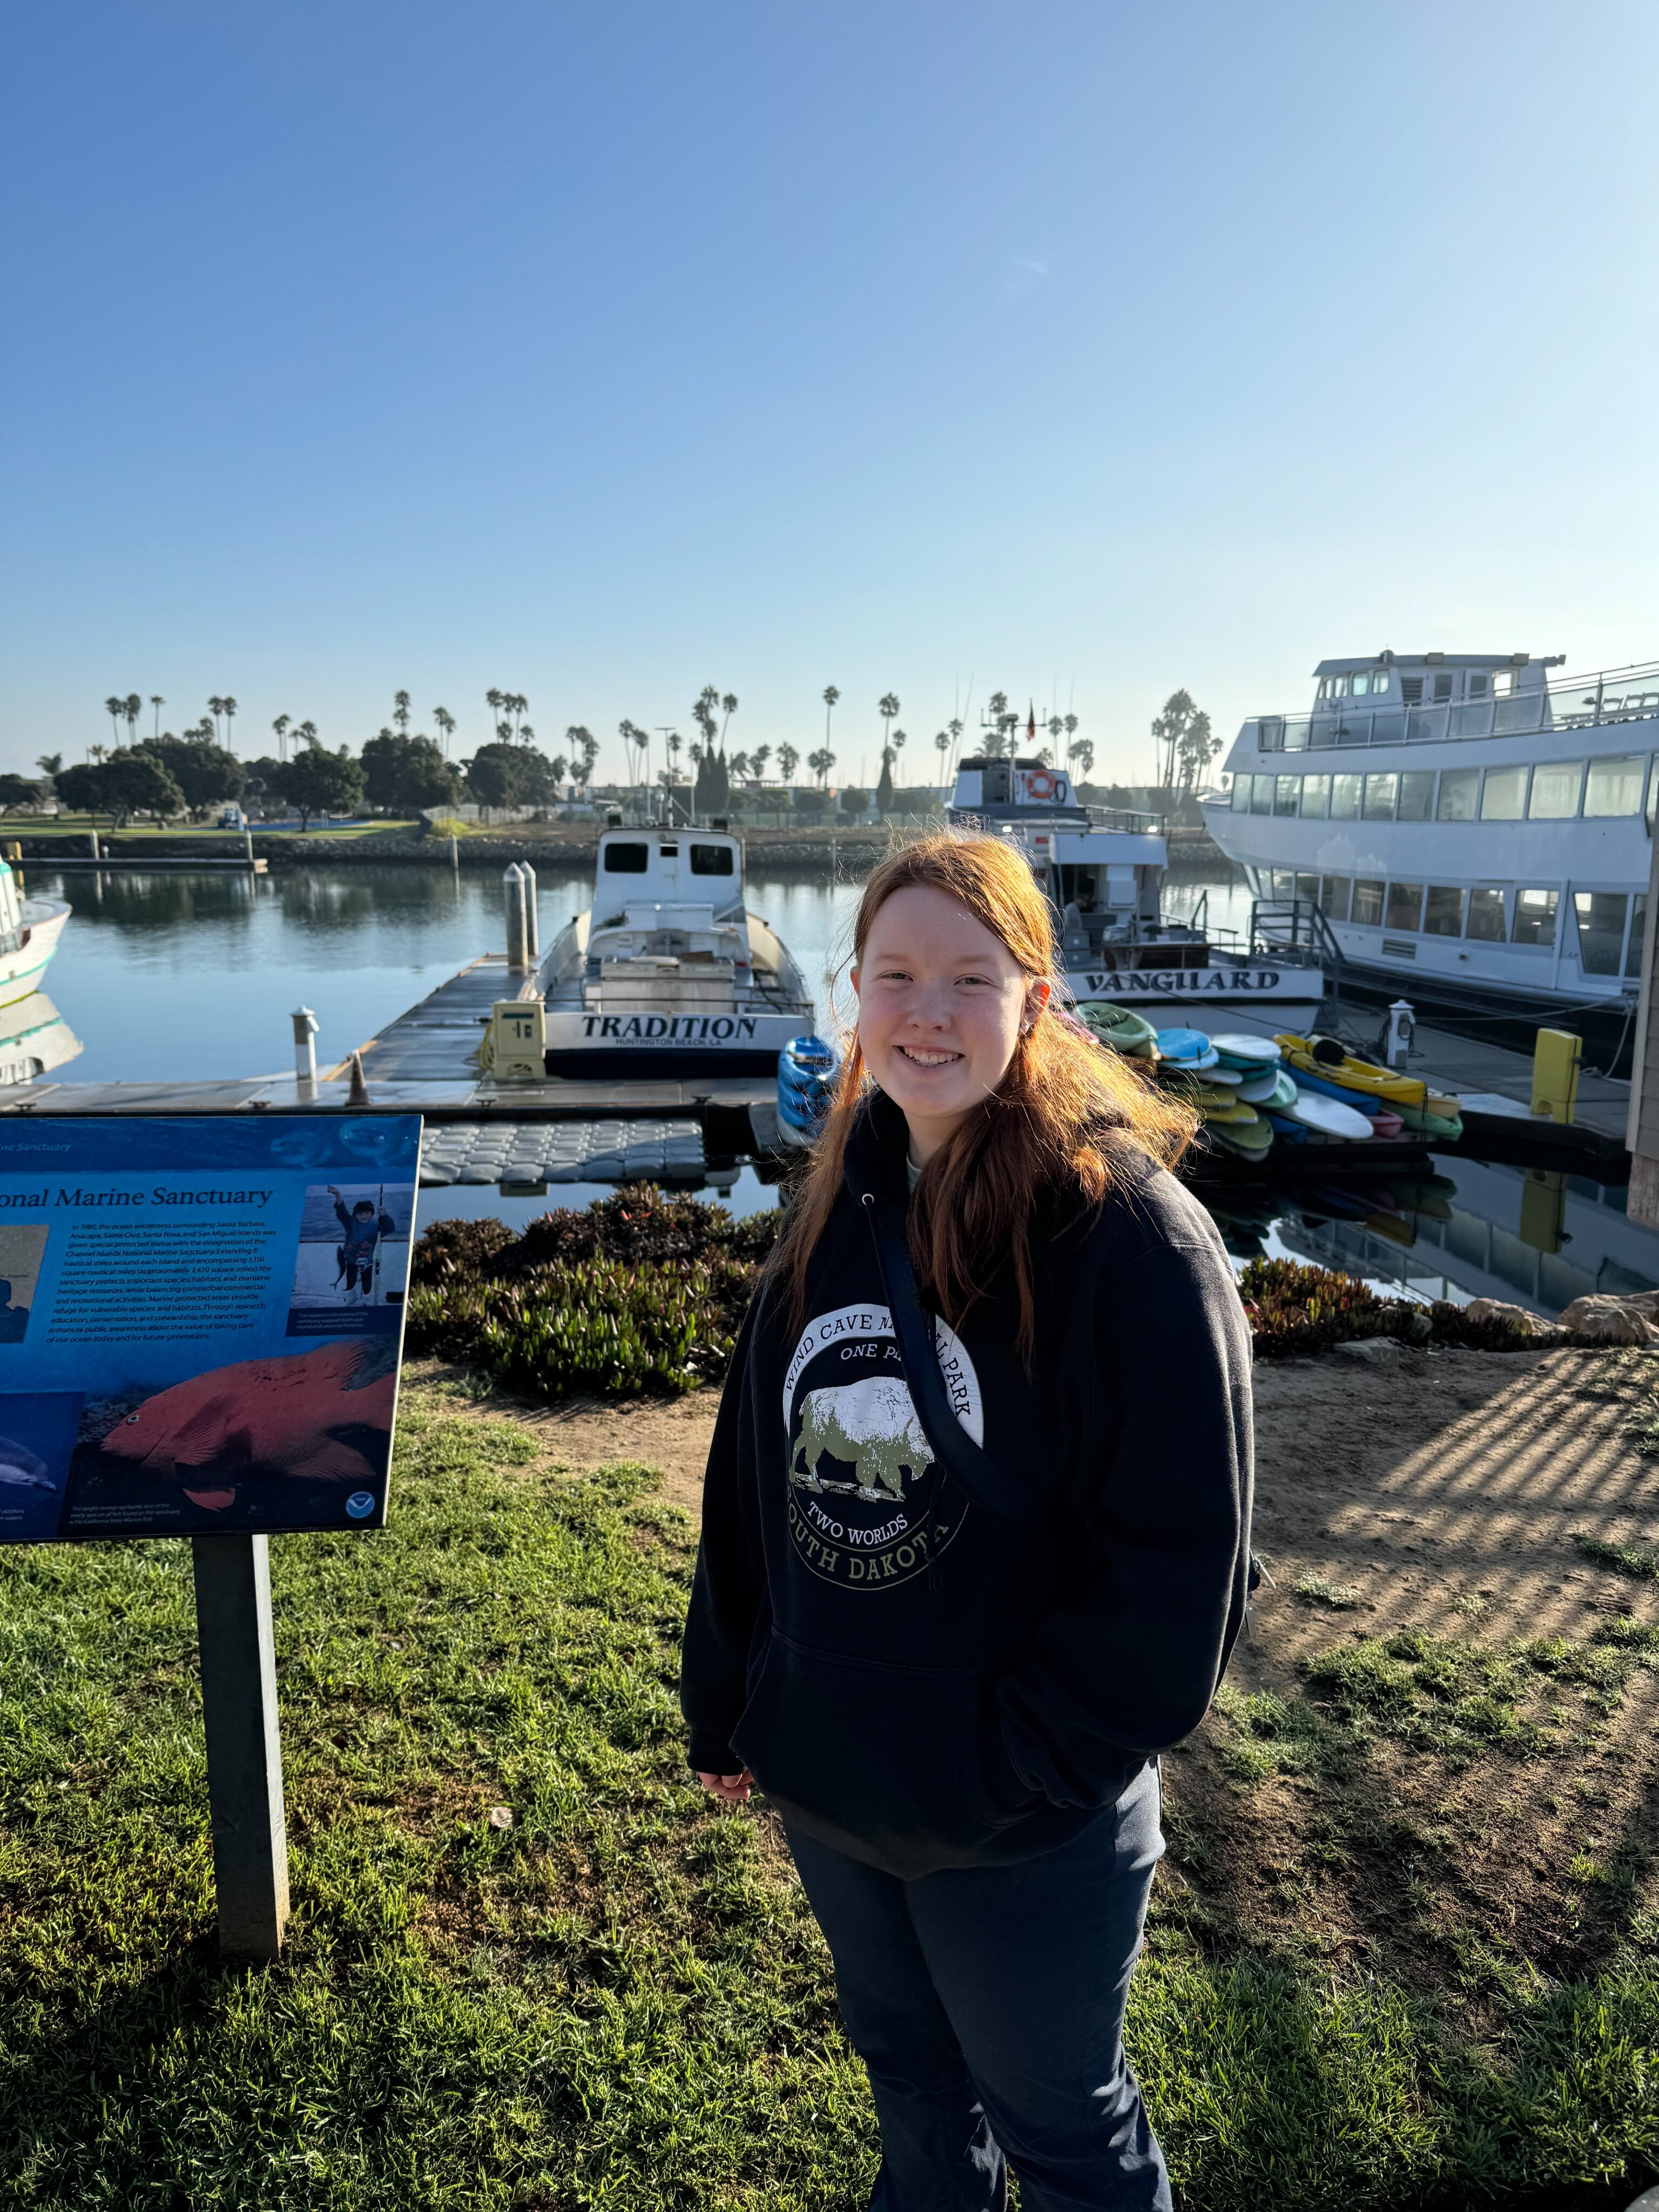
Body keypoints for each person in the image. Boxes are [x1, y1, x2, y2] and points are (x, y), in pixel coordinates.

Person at [681, 831, 1253, 2212]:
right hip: (836, 1782)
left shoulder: (1130, 1244)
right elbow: (752, 1480)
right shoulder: (839, 1201)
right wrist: (733, 1698)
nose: (923, 1013)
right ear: (853, 1001)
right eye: (891, 977)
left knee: (1061, 2129)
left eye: (965, 978)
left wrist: (1019, 1765)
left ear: (1033, 1002)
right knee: (912, 2090)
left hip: (1020, 1822)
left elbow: (1179, 1572)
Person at [328, 1186, 395, 1300]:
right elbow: (342, 1212)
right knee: (350, 1281)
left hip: (367, 1262)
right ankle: (350, 1296)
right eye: (360, 1214)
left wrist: (384, 1215)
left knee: (367, 1283)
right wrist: (338, 1195)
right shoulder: (350, 1223)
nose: (364, 1216)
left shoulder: (376, 1228)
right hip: (350, 1260)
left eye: (367, 1213)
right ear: (355, 1215)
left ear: (372, 1214)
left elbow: (390, 1228)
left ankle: (366, 1297)